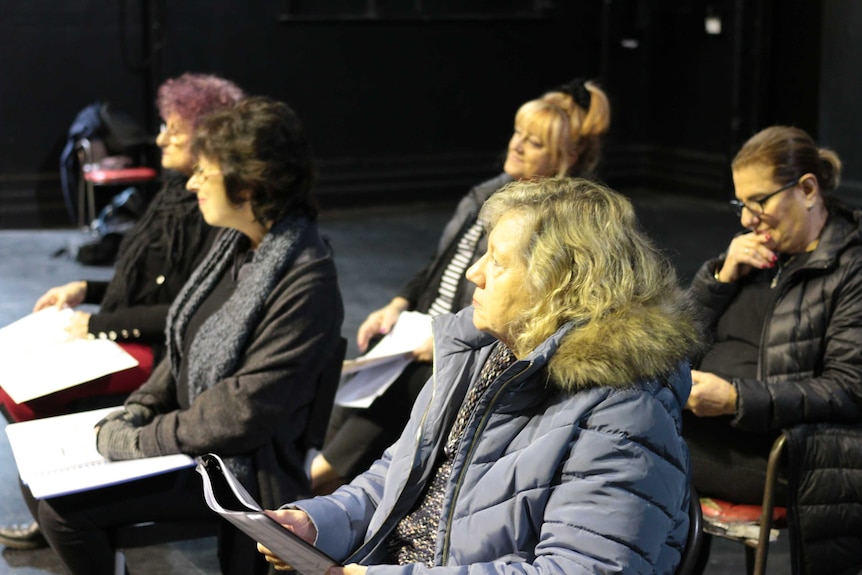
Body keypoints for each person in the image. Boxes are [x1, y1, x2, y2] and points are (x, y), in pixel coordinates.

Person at [260, 177, 702, 574]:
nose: (475, 273)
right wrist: (317, 523)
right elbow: (396, 480)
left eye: (497, 261)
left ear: (558, 284)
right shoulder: (482, 353)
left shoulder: (625, 410)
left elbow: (583, 568)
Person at [13, 96, 345, 575]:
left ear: (249, 185)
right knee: (37, 479)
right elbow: (184, 339)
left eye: (204, 174)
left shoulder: (306, 280)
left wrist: (138, 440)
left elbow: (240, 413)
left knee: (62, 511)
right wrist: (139, 407)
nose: (191, 184)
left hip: (240, 468)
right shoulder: (237, 245)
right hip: (197, 436)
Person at [312, 78, 611, 494]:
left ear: (568, 157)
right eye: (518, 133)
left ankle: (319, 479)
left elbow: (528, 311)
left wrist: (447, 340)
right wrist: (398, 303)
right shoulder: (487, 195)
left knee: (410, 380)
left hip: (476, 339)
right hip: (427, 324)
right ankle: (323, 478)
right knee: (372, 351)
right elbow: (440, 265)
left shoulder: (556, 225)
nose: (518, 145)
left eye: (535, 143)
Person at [0, 73, 245, 426]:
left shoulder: (213, 214)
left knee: (19, 392)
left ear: (210, 139)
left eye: (175, 131)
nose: (161, 138)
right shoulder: (174, 195)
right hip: (132, 331)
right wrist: (86, 289)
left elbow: (191, 310)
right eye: (164, 126)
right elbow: (147, 285)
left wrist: (98, 324)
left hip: (164, 351)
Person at [684, 126, 862, 568]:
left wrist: (734, 399)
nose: (747, 218)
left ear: (806, 189)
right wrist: (720, 280)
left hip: (792, 453)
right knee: (625, 428)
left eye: (758, 201)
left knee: (632, 443)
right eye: (740, 204)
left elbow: (848, 388)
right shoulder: (758, 257)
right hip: (721, 435)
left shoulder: (851, 269)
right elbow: (673, 343)